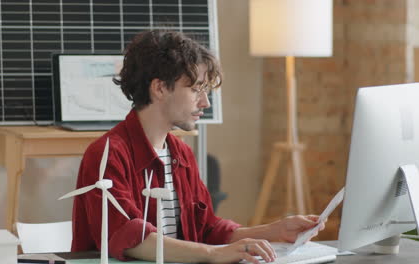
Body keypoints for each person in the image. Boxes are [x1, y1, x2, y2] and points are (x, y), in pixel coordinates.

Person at [71, 30, 325, 264]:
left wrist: (273, 231)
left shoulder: (181, 153)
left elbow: (207, 230)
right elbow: (128, 238)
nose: (205, 102)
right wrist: (213, 254)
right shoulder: (107, 154)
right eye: (196, 89)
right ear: (159, 88)